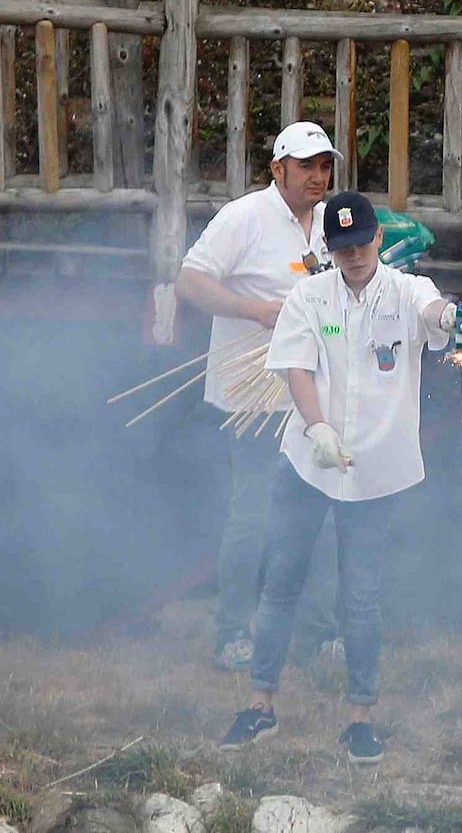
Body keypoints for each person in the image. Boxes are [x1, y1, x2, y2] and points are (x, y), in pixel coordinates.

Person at [217, 191, 462, 763]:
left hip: (375, 471)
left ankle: (360, 717)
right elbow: (295, 365)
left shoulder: (406, 291)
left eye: (363, 244)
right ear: (330, 249)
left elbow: (434, 314)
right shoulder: (309, 297)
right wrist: (316, 429)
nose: (355, 256)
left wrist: (456, 317)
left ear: (378, 240)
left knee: (361, 596)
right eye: (342, 249)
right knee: (280, 585)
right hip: (307, 461)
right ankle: (260, 704)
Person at [176, 121, 342, 672]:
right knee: (253, 515)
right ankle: (231, 634)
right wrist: (256, 312)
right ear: (278, 169)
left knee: (319, 510)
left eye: (324, 167)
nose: (318, 177)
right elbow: (189, 281)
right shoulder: (243, 217)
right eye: (307, 167)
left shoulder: (328, 222)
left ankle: (319, 635)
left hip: (311, 395)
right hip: (249, 395)